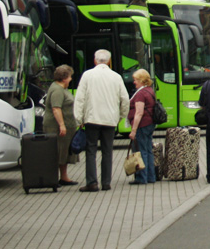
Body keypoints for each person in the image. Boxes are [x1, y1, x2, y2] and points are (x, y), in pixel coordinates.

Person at [74, 49, 130, 192]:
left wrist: (78, 118)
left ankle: (92, 182)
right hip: (110, 119)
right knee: (107, 150)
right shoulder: (116, 77)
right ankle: (106, 182)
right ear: (109, 61)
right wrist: (120, 116)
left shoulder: (87, 75)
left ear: (95, 60)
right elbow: (125, 99)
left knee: (91, 150)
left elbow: (80, 99)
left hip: (92, 118)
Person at [43, 64, 79, 186]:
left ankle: (64, 177)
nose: (71, 79)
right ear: (64, 78)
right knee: (56, 152)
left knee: (64, 152)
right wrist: (62, 125)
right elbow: (56, 109)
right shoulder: (57, 90)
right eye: (69, 77)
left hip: (67, 125)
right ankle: (52, 178)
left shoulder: (62, 88)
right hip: (55, 126)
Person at [127, 69, 157, 184]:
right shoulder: (149, 90)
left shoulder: (140, 94)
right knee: (148, 150)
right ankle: (151, 176)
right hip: (150, 124)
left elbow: (139, 113)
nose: (134, 82)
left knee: (141, 151)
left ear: (141, 80)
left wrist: (133, 130)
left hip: (142, 125)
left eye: (135, 80)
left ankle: (141, 177)